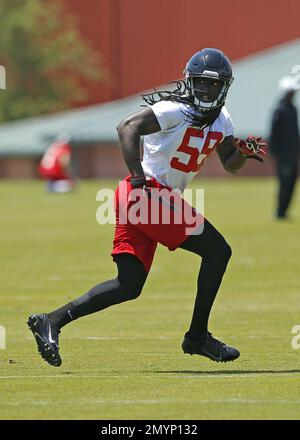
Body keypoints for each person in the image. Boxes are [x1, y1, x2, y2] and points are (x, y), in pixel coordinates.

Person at [27, 48, 266, 367]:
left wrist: (243, 152)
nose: (207, 90)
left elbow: (230, 164)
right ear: (189, 82)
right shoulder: (173, 110)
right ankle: (197, 337)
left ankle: (51, 321)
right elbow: (126, 127)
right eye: (202, 83)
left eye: (214, 85)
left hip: (146, 197)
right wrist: (139, 176)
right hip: (147, 192)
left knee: (129, 284)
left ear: (225, 87)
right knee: (218, 251)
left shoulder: (223, 119)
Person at [269, 77, 300, 219]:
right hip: (283, 155)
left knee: (292, 181)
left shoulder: (293, 109)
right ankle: (280, 211)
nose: (292, 95)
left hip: (292, 154)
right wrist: (276, 153)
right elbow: (274, 133)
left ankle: (284, 211)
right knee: (285, 182)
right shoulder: (279, 110)